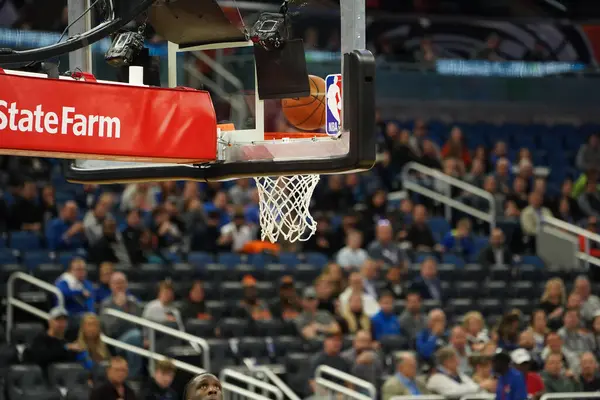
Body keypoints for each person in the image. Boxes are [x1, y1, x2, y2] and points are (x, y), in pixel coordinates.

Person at [25, 307, 80, 373]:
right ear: (50, 321)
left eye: (64, 320)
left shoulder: (68, 340)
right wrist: (65, 348)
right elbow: (42, 357)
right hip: (46, 378)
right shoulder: (41, 339)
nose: (61, 323)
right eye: (58, 320)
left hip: (67, 378)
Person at [426, 346, 490, 396]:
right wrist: (480, 386)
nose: (458, 362)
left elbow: (472, 386)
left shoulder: (459, 375)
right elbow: (455, 392)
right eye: (455, 359)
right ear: (447, 362)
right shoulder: (436, 378)